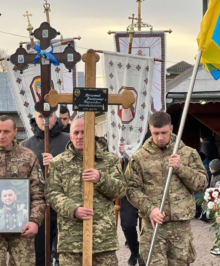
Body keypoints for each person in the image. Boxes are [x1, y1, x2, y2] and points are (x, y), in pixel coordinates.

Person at [126, 112, 208, 265]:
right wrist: (150, 209)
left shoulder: (188, 153)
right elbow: (131, 189)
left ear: (171, 129)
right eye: (156, 133)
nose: (160, 137)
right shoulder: (139, 157)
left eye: (164, 132)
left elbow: (202, 184)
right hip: (153, 225)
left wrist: (181, 168)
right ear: (150, 130)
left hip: (180, 227)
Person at [45, 118, 127, 265]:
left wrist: (101, 179)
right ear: (70, 136)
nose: (80, 136)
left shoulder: (109, 160)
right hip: (72, 241)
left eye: (84, 132)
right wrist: (73, 209)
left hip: (102, 240)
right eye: (76, 132)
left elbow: (120, 191)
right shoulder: (59, 162)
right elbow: (52, 193)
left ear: (93, 134)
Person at [0, 115, 46, 265]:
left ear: (15, 132)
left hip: (22, 228)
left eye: (6, 131)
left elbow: (38, 192)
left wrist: (34, 221)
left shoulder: (28, 156)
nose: (1, 136)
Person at [20, 111, 70, 266]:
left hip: (65, 201)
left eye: (49, 116)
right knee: (39, 251)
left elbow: (79, 168)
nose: (45, 120)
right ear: (35, 118)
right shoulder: (26, 146)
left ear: (55, 117)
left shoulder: (69, 141)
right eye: (41, 116)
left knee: (65, 252)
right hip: (38, 205)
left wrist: (56, 163)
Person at [119, 133, 150, 266]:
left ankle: (143, 255)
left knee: (144, 226)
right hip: (128, 187)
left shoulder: (149, 136)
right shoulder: (123, 134)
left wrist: (126, 153)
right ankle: (134, 250)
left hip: (146, 189)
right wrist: (119, 152)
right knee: (127, 225)